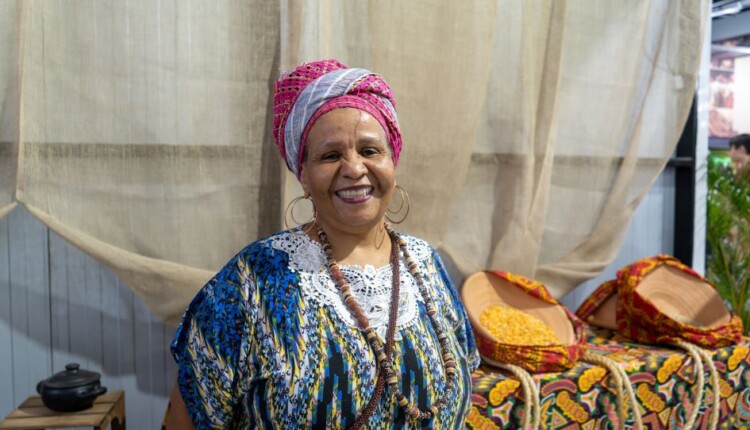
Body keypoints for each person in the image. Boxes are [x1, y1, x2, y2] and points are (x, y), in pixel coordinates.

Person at [166, 59, 479, 429]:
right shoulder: (252, 281)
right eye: (331, 155)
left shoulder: (427, 265)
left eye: (370, 151)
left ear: (393, 161)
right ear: (304, 176)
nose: (354, 168)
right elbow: (187, 417)